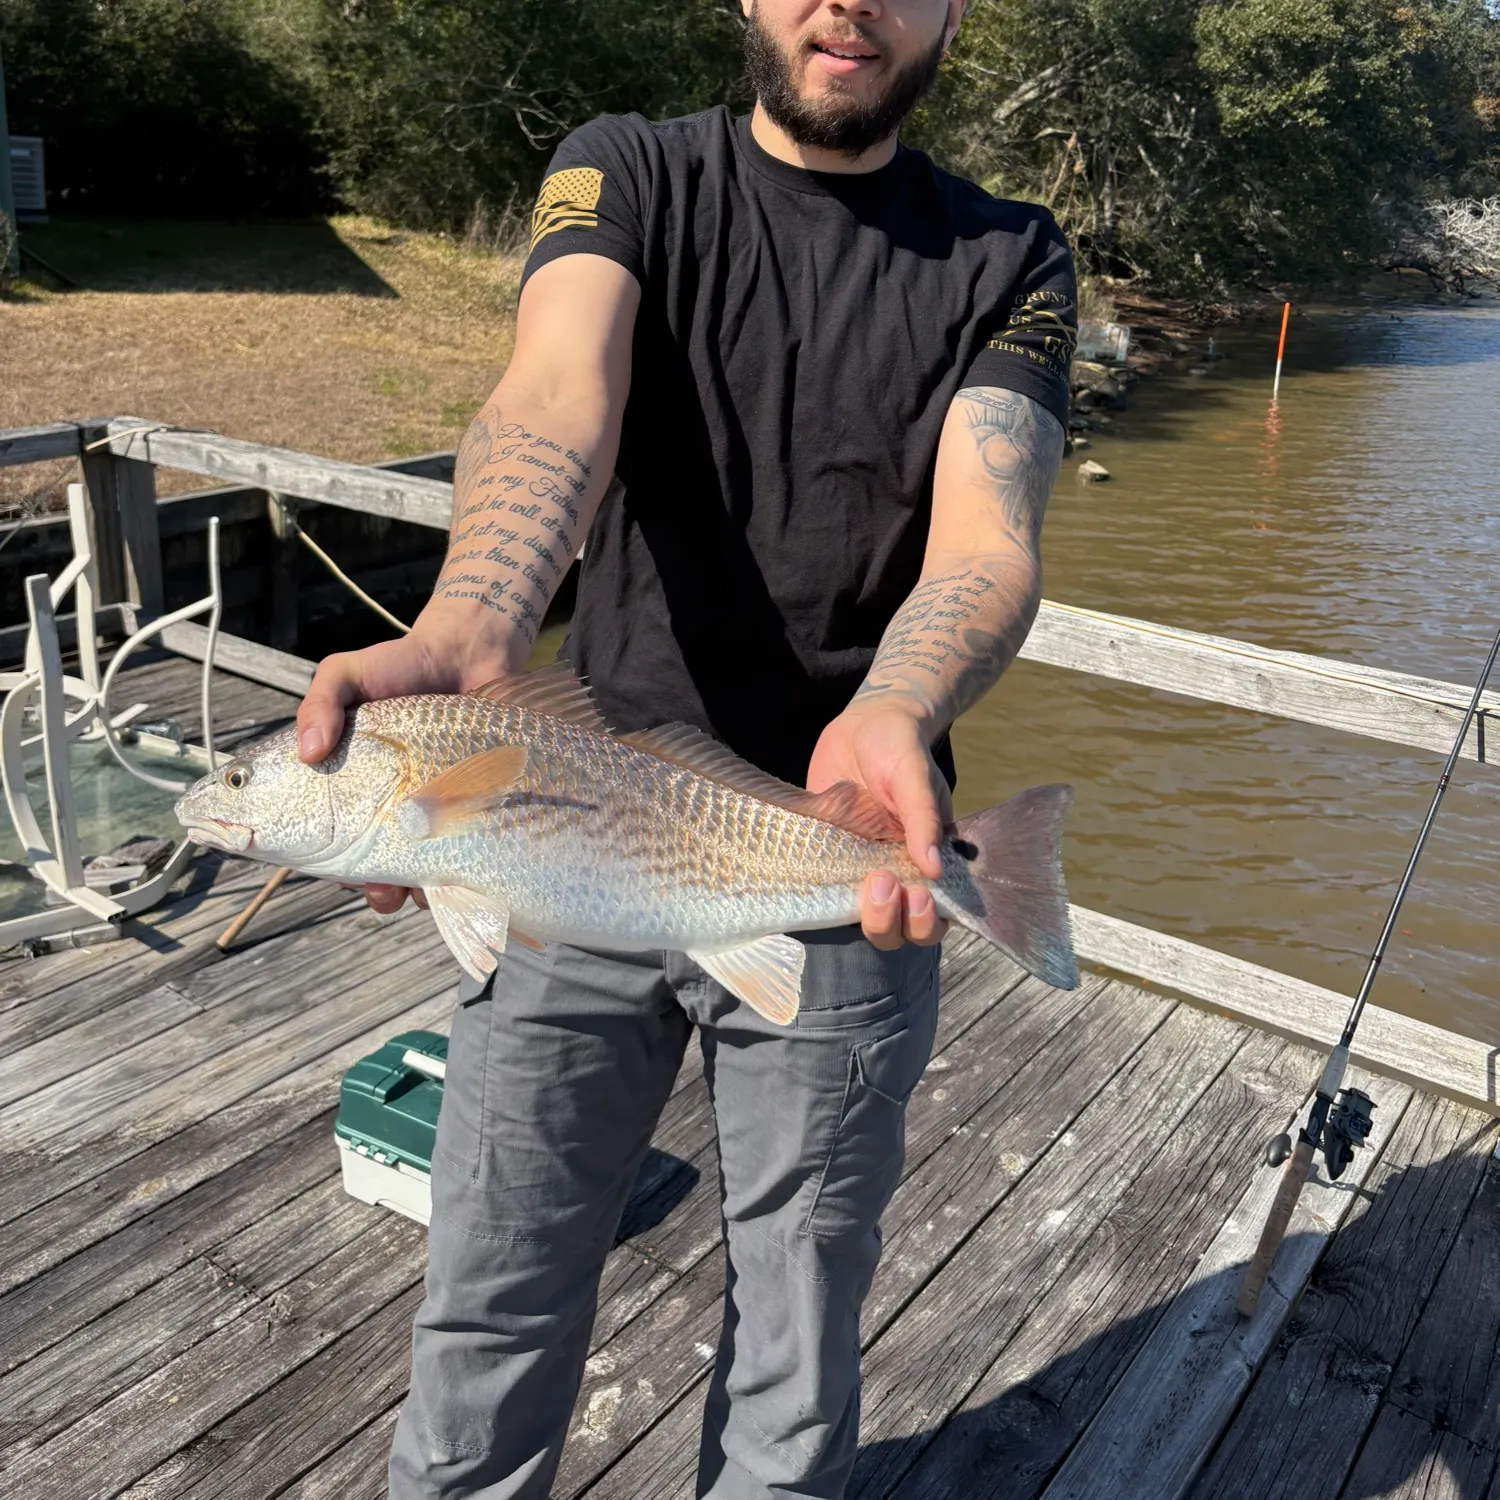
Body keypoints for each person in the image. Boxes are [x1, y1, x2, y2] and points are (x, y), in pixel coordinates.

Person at [296, 1, 1074, 1494]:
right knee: (491, 1295)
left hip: (848, 866)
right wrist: (473, 623)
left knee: (798, 1336)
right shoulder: (626, 171)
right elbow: (553, 396)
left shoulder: (1017, 255)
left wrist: (893, 714)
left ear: (957, 8)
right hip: (561, 831)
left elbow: (989, 540)